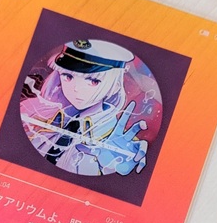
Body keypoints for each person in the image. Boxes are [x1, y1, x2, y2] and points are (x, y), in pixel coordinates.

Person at [20, 39, 148, 176]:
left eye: (93, 81)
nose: (76, 88)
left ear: (115, 85)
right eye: (67, 76)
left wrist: (112, 168)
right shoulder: (32, 112)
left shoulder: (120, 144)